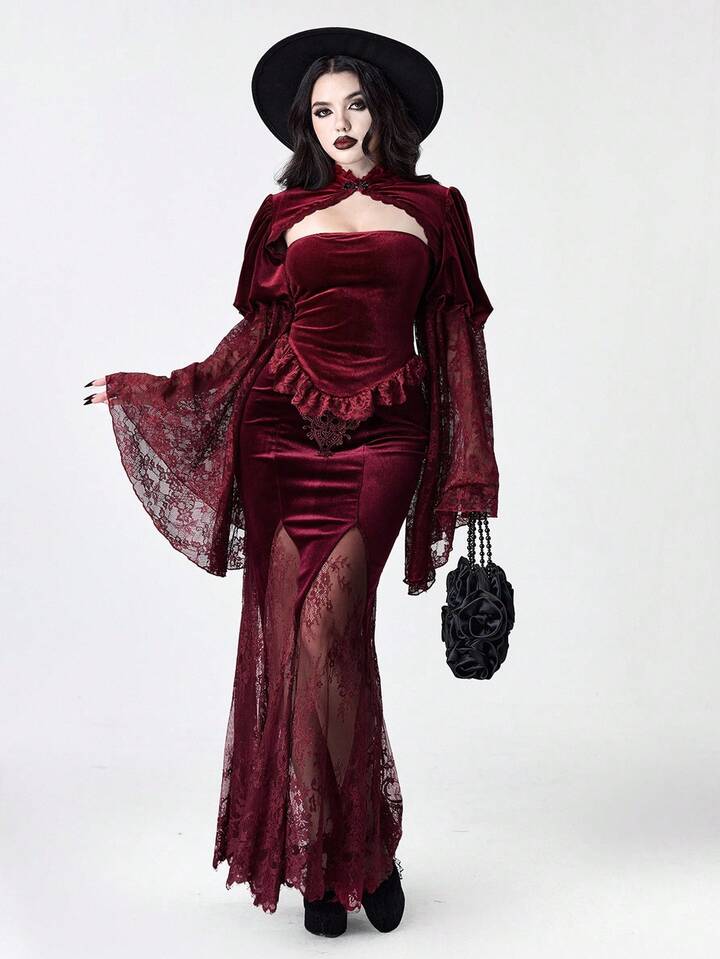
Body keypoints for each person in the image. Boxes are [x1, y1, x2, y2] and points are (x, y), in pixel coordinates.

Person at [83, 27, 500, 938]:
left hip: (387, 433)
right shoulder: (281, 215)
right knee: (298, 645)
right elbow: (254, 339)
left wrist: (470, 475)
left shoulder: (435, 210)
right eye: (321, 112)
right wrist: (158, 389)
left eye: (354, 105)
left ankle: (362, 852)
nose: (339, 124)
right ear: (306, 126)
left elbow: (456, 343)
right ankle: (327, 861)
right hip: (278, 430)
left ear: (384, 112)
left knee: (329, 633)